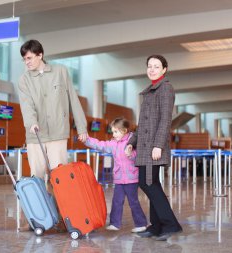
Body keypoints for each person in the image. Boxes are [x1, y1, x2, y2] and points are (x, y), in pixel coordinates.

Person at [18, 39, 88, 231]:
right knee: (37, 178)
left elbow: (73, 99)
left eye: (30, 58)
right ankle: (37, 218)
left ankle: (66, 216)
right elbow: (26, 105)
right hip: (36, 136)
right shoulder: (24, 79)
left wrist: (81, 127)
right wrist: (31, 123)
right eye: (24, 59)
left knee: (60, 178)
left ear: (40, 55)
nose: (27, 62)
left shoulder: (60, 71)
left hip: (58, 133)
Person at [125, 55, 182, 241]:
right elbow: (143, 124)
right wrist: (131, 142)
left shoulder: (165, 88)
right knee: (150, 183)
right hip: (144, 147)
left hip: (153, 147)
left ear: (164, 69)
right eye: (149, 66)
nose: (152, 69)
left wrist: (158, 145)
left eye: (156, 66)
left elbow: (166, 120)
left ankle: (170, 224)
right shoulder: (150, 91)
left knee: (147, 183)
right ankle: (157, 226)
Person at [81, 117, 147, 233]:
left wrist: (131, 154)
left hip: (132, 179)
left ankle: (141, 224)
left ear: (124, 130)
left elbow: (138, 156)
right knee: (117, 201)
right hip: (119, 179)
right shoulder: (113, 144)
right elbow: (100, 145)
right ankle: (114, 223)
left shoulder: (132, 141)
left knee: (133, 202)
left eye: (116, 131)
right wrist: (87, 140)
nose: (114, 134)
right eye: (113, 131)